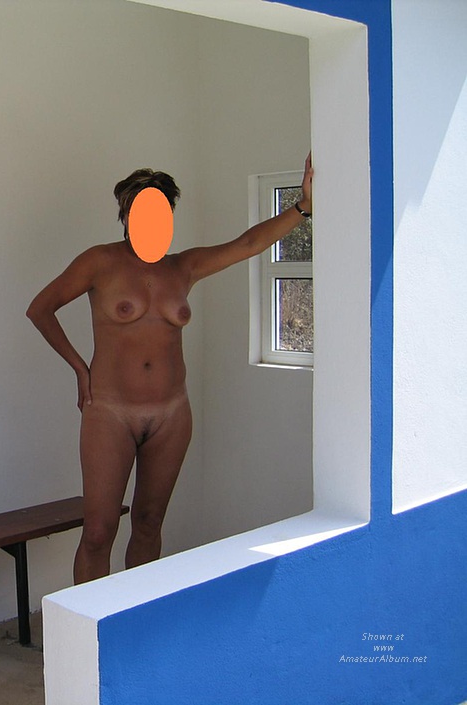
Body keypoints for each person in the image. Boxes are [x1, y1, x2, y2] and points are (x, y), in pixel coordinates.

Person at [26, 155, 313, 583]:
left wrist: (302, 207)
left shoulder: (183, 267)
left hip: (172, 414)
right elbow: (41, 309)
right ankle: (91, 625)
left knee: (149, 522)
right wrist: (79, 369)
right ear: (125, 214)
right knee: (99, 532)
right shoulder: (99, 262)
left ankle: (137, 616)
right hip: (110, 412)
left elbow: (248, 244)